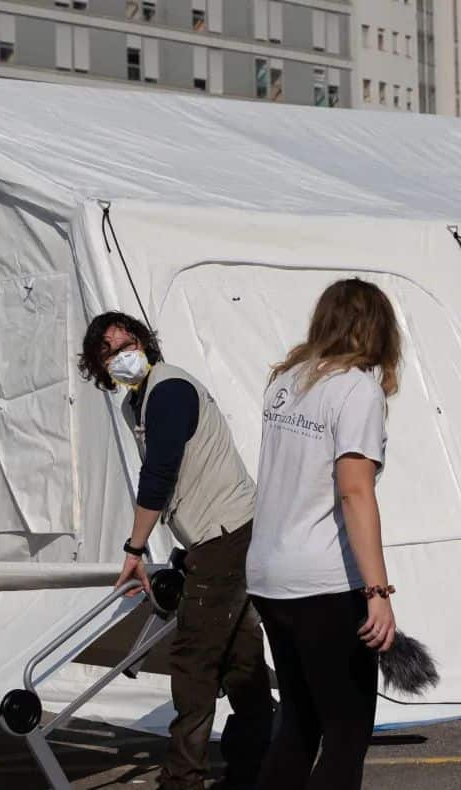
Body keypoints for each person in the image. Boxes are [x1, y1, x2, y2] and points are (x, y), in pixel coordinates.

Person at [78, 312, 273, 790]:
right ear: (99, 369)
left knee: (192, 657)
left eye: (128, 342)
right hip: (223, 532)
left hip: (225, 533)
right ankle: (260, 760)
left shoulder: (167, 390)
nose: (122, 353)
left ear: (145, 343)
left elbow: (160, 474)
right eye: (109, 351)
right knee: (239, 655)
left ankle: (183, 777)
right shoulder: (137, 404)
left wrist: (135, 548)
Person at [247, 278, 401, 790]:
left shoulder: (287, 380)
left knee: (298, 721)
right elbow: (355, 491)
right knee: (346, 732)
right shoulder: (357, 389)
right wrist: (378, 592)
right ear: (378, 329)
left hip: (269, 573)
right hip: (323, 582)